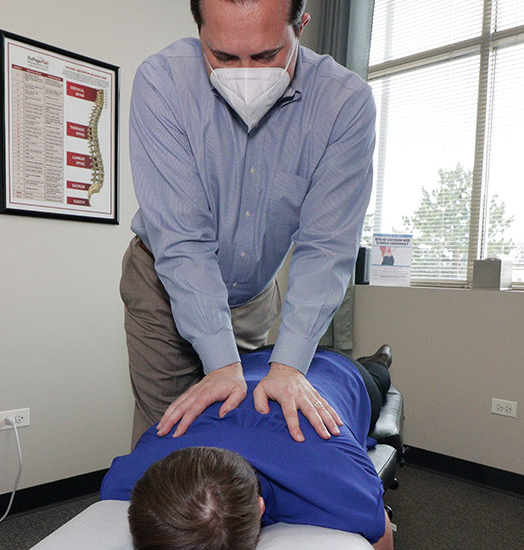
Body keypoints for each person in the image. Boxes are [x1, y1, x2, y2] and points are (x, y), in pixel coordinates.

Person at [121, 0, 377, 447]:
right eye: (222, 56)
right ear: (199, 32)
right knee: (165, 437)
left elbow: (327, 247)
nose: (245, 72)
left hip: (255, 295)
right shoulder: (162, 82)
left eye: (265, 55)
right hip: (163, 284)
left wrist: (290, 365)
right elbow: (182, 241)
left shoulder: (344, 102)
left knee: (247, 433)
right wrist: (220, 364)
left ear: (301, 25)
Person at [100, 346, 396, 550]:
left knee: (378, 377)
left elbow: (378, 528)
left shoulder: (336, 481)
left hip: (338, 372)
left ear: (259, 508)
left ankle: (380, 359)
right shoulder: (135, 470)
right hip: (247, 362)